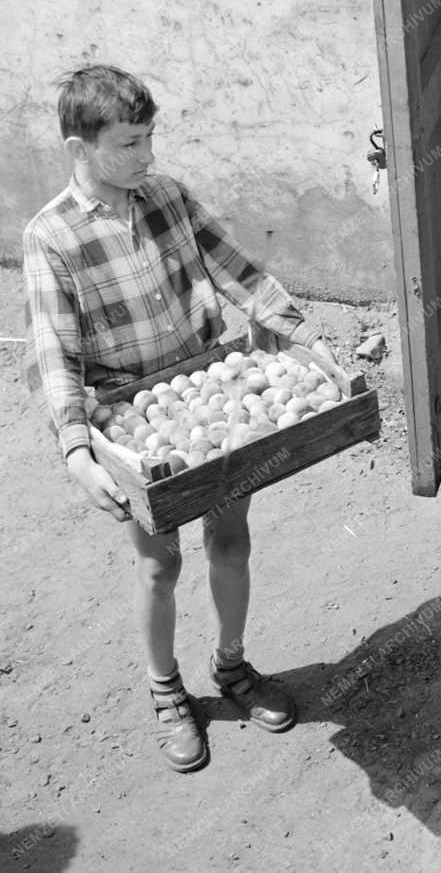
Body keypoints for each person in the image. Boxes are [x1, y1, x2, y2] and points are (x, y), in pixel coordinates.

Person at [23, 65, 335, 773]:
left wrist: (301, 333)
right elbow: (54, 352)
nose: (148, 155)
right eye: (130, 143)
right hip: (132, 424)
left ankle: (232, 664)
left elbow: (238, 271)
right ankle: (167, 690)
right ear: (80, 147)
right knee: (158, 563)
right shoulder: (52, 237)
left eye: (150, 137)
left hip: (207, 392)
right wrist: (77, 449)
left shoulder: (166, 196)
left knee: (231, 541)